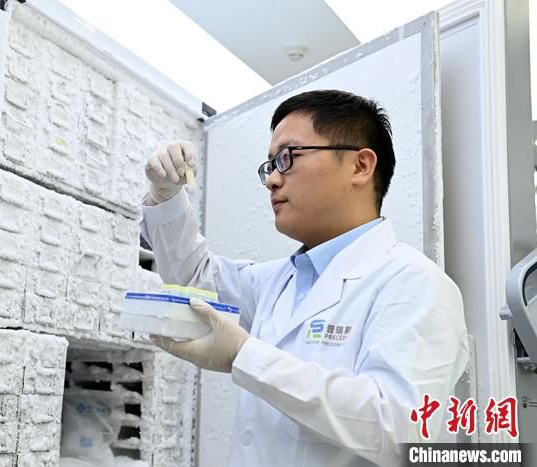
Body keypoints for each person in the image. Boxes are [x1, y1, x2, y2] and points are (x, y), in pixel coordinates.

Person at [140, 89, 469, 467]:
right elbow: (194, 278)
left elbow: (399, 428)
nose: (271, 180)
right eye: (270, 165)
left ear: (360, 166)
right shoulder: (276, 281)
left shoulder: (415, 283)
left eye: (287, 158)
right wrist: (166, 196)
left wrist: (247, 356)